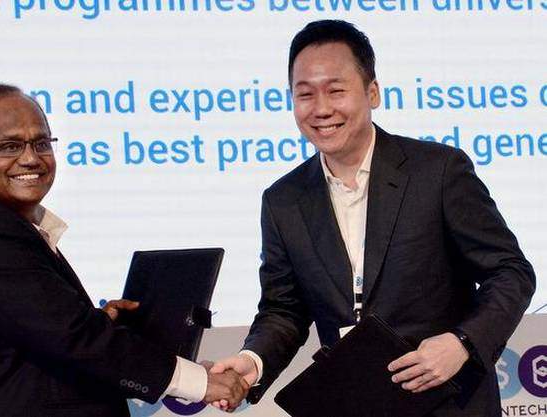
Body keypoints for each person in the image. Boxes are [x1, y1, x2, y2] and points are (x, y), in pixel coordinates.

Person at [210, 20, 535, 416]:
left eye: (336, 90)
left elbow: (511, 272)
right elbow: (284, 310)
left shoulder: (438, 172)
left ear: (373, 92)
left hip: (450, 403)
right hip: (354, 405)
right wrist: (254, 360)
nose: (321, 109)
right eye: (305, 94)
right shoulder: (283, 201)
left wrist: (462, 342)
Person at [0, 82, 248, 417]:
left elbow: (41, 333)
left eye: (41, 143)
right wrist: (198, 382)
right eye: (9, 146)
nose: (31, 158)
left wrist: (98, 322)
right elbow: (73, 339)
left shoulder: (3, 224)